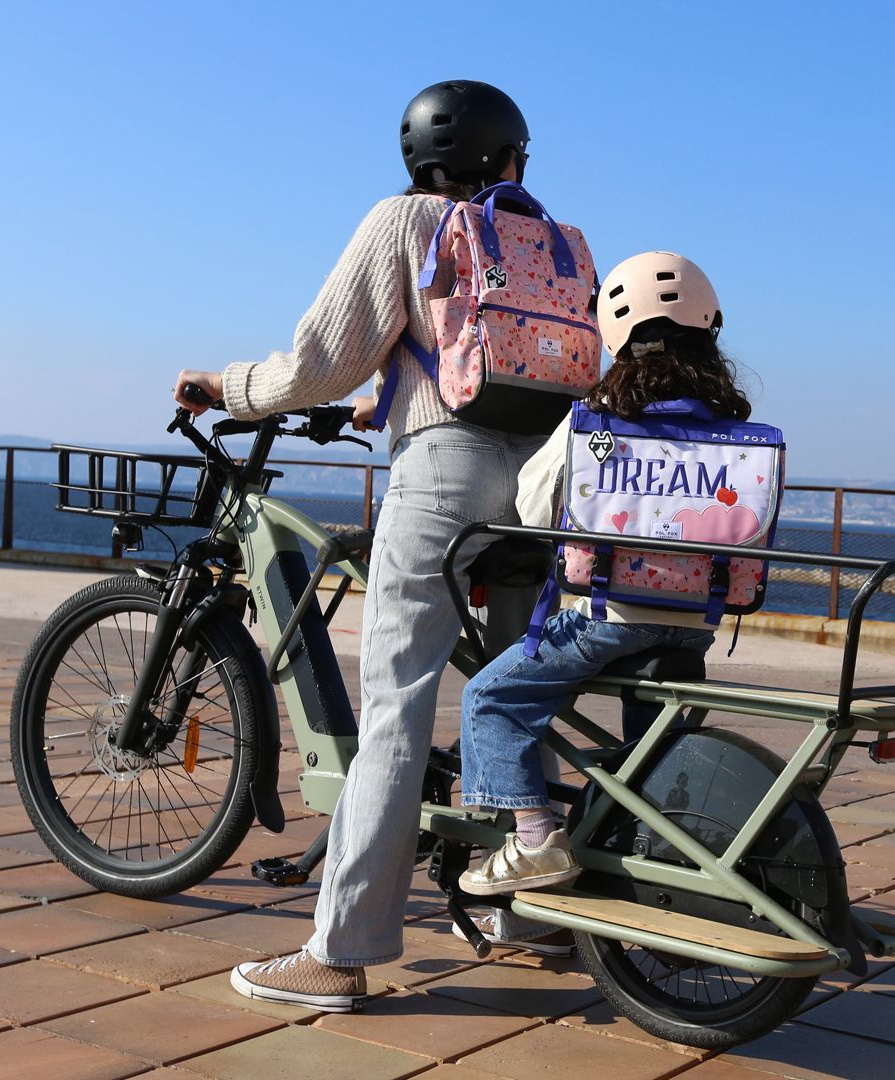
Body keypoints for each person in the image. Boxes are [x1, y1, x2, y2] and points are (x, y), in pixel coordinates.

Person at [173, 80, 574, 1012]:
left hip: (446, 477)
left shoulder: (407, 220)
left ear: (421, 155)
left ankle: (339, 950)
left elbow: (320, 356)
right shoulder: (540, 233)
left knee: (397, 702)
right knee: (521, 689)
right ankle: (537, 907)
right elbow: (486, 360)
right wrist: (388, 395)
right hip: (544, 481)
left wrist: (228, 386)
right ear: (509, 156)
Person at [456, 251, 752, 896]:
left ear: (613, 333)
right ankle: (632, 841)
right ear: (712, 327)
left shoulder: (598, 418)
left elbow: (535, 509)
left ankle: (533, 840)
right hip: (694, 626)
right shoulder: (736, 430)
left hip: (609, 620)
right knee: (648, 756)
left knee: (492, 698)